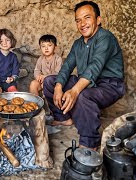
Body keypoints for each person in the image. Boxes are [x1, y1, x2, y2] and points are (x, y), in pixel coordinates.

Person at [43, 1, 125, 150]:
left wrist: (74, 90)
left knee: (82, 94)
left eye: (87, 17)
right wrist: (59, 86)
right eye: (78, 20)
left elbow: (95, 66)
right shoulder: (78, 44)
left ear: (98, 20)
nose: (82, 23)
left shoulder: (105, 37)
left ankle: (90, 143)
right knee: (50, 81)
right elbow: (67, 66)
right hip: (85, 82)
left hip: (109, 85)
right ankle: (64, 118)